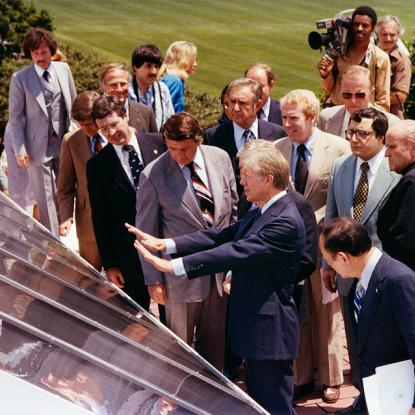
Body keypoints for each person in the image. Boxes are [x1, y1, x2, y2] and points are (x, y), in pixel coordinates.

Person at [129, 139, 306, 414]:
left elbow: (234, 252)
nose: (241, 181)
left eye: (247, 175)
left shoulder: (283, 221)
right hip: (256, 328)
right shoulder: (263, 208)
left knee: (274, 404)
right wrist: (169, 245)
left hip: (269, 332)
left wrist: (175, 267)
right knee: (260, 401)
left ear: (268, 179)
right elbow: (221, 235)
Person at [133, 112, 238, 371]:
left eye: (185, 149)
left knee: (215, 344)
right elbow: (146, 230)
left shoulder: (221, 159)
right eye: (172, 149)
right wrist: (153, 280)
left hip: (220, 271)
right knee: (179, 349)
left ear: (199, 139)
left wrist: (234, 262)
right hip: (179, 278)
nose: (179, 155)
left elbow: (233, 211)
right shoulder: (153, 175)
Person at [322, 107, 400, 413]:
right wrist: (328, 263)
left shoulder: (396, 171)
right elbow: (332, 217)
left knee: (382, 340)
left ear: (380, 137)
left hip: (381, 272)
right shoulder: (341, 166)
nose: (354, 139)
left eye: (362, 134)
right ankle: (363, 397)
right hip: (345, 272)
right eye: (350, 133)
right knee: (354, 341)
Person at [276, 89, 350, 402]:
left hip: (325, 245)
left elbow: (344, 200)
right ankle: (302, 376)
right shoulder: (277, 149)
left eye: (293, 118)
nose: (287, 124)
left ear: (311, 117)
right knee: (297, 310)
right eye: (283, 118)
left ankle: (331, 377)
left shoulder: (339, 149)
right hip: (291, 248)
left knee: (327, 312)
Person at [320, 217, 415, 415]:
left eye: (329, 261)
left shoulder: (398, 280)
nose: (328, 267)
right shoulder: (363, 277)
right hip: (376, 394)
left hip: (399, 400)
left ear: (343, 258)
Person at [86, 95, 166, 309]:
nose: (111, 133)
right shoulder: (97, 166)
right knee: (135, 316)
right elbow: (100, 218)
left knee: (172, 314)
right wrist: (110, 264)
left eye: (114, 124)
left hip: (165, 242)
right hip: (129, 254)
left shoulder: (159, 143)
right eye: (103, 129)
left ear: (126, 116)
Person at [8, 28, 77, 236]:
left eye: (44, 52)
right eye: (35, 53)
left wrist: (76, 130)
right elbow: (16, 117)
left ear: (52, 51)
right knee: (45, 196)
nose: (40, 57)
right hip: (36, 145)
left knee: (65, 189)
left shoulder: (63, 70)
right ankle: (53, 242)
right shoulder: (20, 78)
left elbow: (73, 103)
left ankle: (67, 228)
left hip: (64, 141)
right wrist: (19, 148)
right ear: (30, 54)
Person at [205, 78, 285, 216]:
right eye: (232, 102)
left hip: (267, 213)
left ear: (258, 105)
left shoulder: (278, 134)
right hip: (228, 214)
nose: (235, 108)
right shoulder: (213, 136)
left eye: (242, 103)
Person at [57, 91, 105, 270]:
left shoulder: (117, 135)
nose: (90, 129)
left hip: (119, 221)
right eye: (83, 125)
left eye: (93, 124)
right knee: (90, 276)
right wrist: (66, 217)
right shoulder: (71, 141)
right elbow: (65, 186)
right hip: (88, 221)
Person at [317, 6, 390, 111]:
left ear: (373, 28)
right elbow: (328, 89)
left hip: (363, 115)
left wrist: (371, 120)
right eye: (356, 24)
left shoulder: (380, 58)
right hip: (336, 111)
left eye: (365, 25)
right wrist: (325, 75)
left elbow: (383, 101)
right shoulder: (340, 51)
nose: (359, 28)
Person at [319, 66, 399, 139]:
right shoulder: (326, 117)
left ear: (371, 92)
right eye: (347, 95)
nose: (353, 100)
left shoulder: (391, 124)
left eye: (360, 95)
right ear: (341, 91)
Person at [377, 120, 415, 270]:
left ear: (413, 147)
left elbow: (404, 240)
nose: (386, 153)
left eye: (392, 147)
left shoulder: (412, 182)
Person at [99, 63, 157, 133]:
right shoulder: (93, 113)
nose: (119, 89)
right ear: (103, 87)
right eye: (113, 85)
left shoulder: (146, 113)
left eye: (123, 84)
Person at [128, 44, 175, 131]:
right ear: (135, 68)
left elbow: (170, 120)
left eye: (156, 66)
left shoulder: (162, 89)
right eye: (148, 66)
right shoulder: (124, 89)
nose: (154, 71)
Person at [375, 15, 412, 119]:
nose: (388, 38)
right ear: (377, 33)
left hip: (391, 118)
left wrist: (374, 102)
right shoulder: (370, 53)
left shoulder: (402, 60)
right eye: (384, 34)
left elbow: (400, 96)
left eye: (392, 35)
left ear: (398, 35)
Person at [158, 41, 197, 112]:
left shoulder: (172, 79)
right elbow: (163, 110)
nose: (195, 64)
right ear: (183, 61)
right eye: (193, 60)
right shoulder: (174, 81)